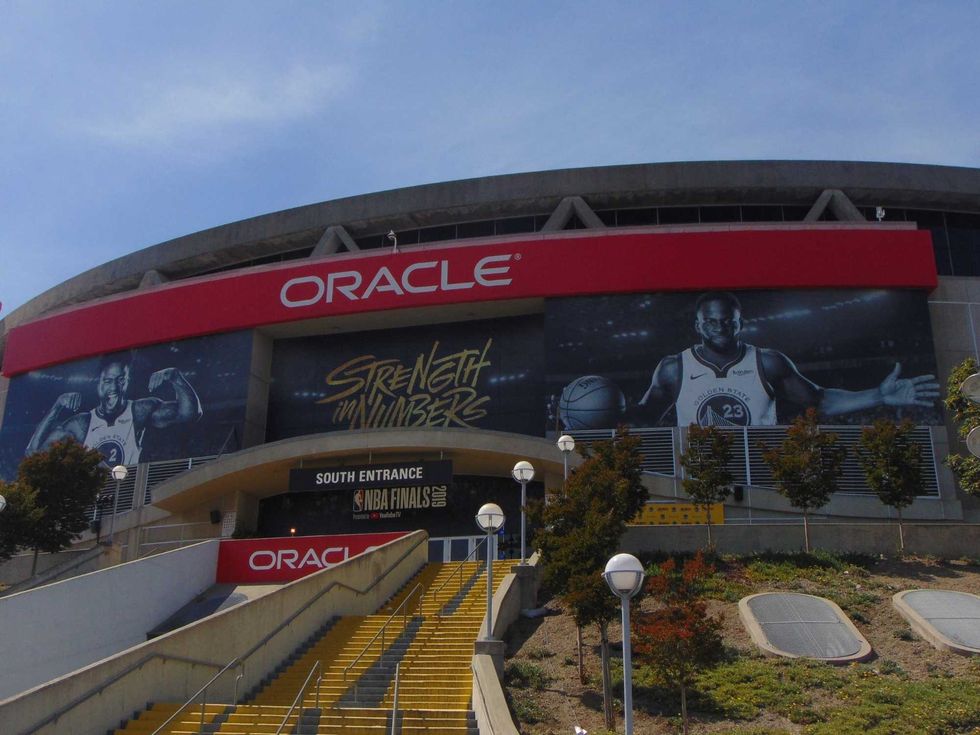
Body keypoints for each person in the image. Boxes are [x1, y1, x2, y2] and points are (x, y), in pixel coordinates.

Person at [636, 291, 940, 427]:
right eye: (711, 322)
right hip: (697, 477)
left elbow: (820, 401)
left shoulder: (768, 362)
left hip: (758, 474)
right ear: (698, 326)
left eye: (728, 320)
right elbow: (642, 418)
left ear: (740, 323)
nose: (720, 327)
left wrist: (877, 396)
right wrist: (610, 412)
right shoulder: (674, 368)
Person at [26, 358, 203, 465]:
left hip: (127, 495)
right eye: (108, 381)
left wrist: (176, 378)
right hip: (92, 500)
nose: (114, 388)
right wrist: (56, 407)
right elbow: (33, 453)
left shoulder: (139, 410)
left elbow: (189, 414)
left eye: (120, 380)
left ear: (127, 381)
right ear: (98, 383)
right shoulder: (81, 424)